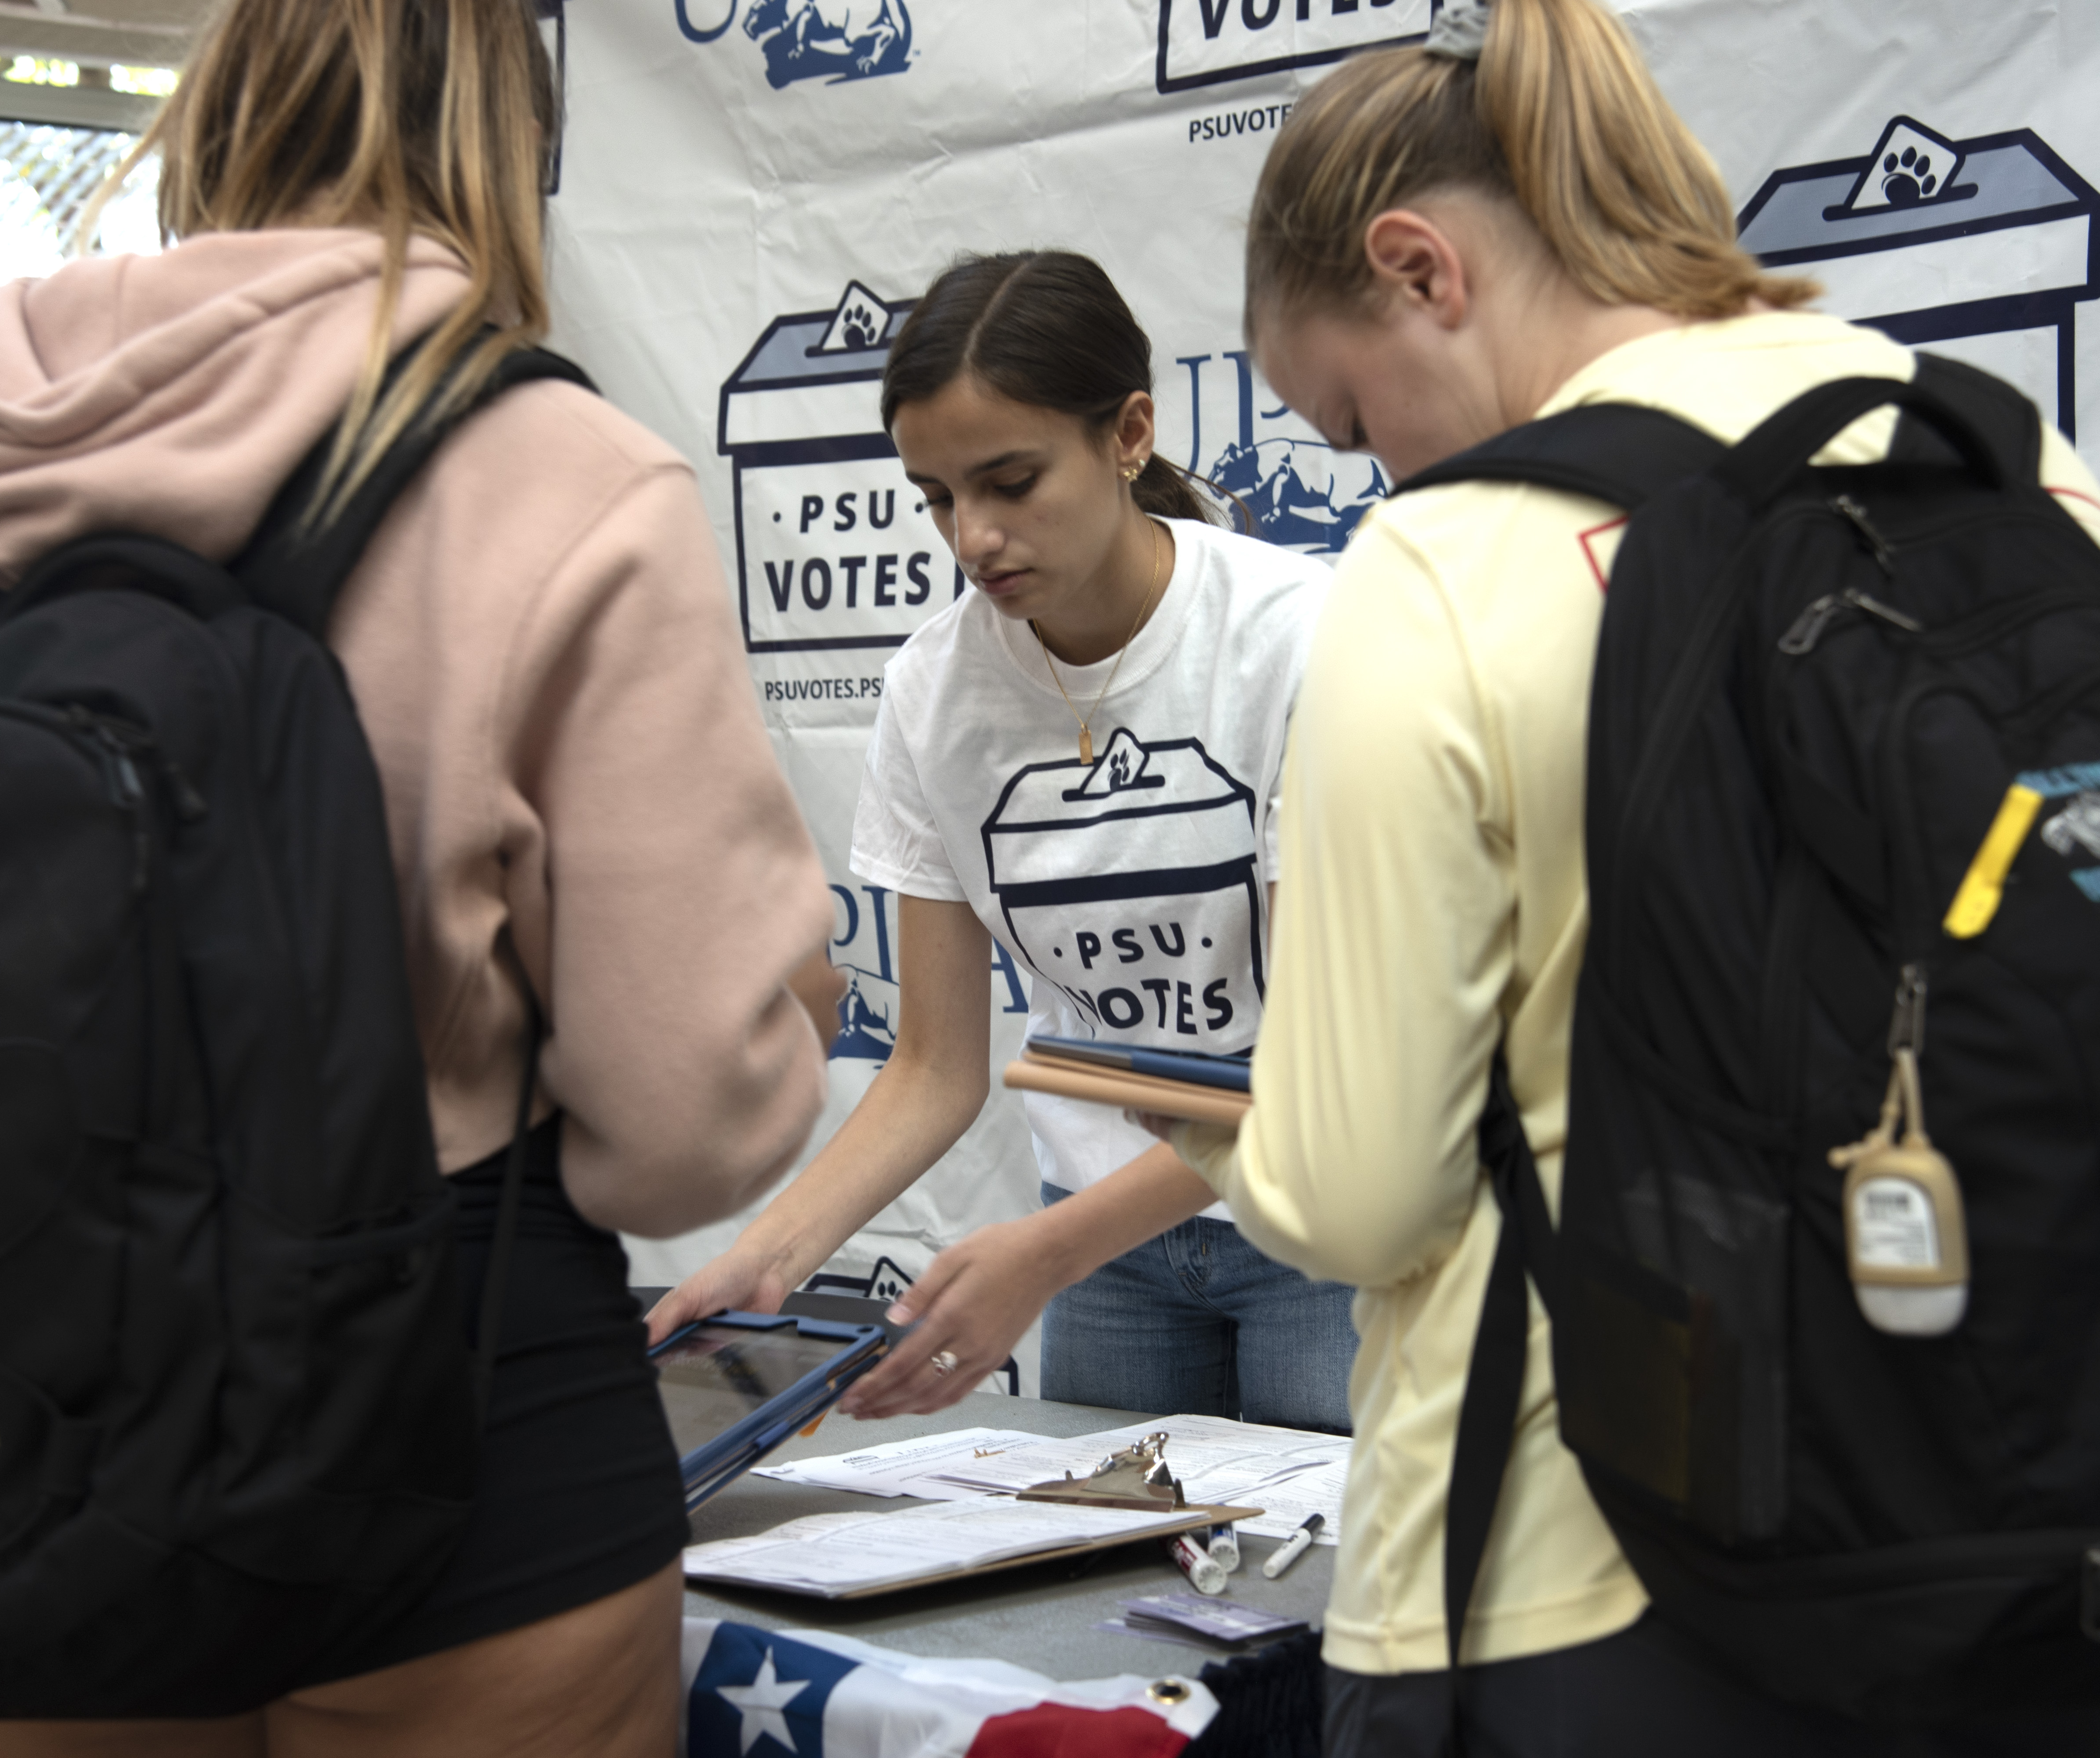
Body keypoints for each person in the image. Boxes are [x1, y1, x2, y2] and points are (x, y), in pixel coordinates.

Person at [0, 1, 833, 1752]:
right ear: (516, 133)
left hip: (36, 1422)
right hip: (462, 1425)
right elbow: (682, 1120)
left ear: (217, 106)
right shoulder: (554, 465)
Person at [1149, 0, 2100, 1751]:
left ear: (1419, 264)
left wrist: (1236, 1139)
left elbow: (1358, 1193)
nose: (1376, 467)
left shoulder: (1443, 563)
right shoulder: (2010, 458)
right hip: (1993, 1510)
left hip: (1566, 1557)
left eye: (1352, 416)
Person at [648, 250, 1359, 1432]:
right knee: (1107, 1615)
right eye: (935, 496)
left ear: (1128, 433)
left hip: (1320, 1224)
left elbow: (1321, 1063)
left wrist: (1040, 1254)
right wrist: (762, 1262)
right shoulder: (935, 690)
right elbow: (932, 1064)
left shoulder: (1294, 641)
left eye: (1011, 481)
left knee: (1324, 1602)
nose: (971, 538)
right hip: (1105, 1251)